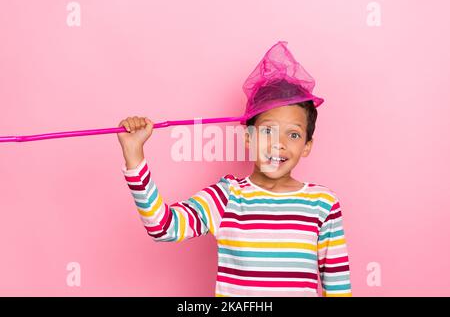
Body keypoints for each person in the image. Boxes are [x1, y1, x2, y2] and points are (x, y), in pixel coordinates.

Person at [117, 41, 352, 297]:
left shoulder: (323, 203)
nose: (279, 144)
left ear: (307, 146)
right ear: (249, 137)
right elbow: (163, 228)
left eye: (293, 135)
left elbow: (338, 286)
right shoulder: (226, 197)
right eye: (268, 131)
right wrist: (134, 154)